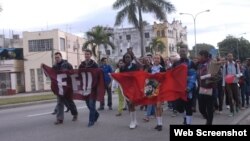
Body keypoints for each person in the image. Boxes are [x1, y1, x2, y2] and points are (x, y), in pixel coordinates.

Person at [172, 45, 197, 125]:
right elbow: (171, 74)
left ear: (187, 52)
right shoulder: (176, 63)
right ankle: (185, 117)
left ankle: (188, 123)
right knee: (180, 108)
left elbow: (193, 76)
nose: (182, 52)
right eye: (181, 51)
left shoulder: (191, 63)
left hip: (188, 89)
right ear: (179, 52)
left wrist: (189, 87)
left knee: (188, 107)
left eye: (184, 51)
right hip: (179, 89)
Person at [52, 52, 78, 125]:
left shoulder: (67, 64)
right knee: (60, 103)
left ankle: (75, 114)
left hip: (67, 87)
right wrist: (43, 67)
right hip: (59, 88)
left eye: (58, 57)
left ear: (61, 57)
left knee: (70, 102)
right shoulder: (54, 66)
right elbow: (50, 74)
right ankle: (59, 119)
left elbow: (73, 74)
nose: (57, 59)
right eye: (55, 57)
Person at [78, 49, 99, 127]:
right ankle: (96, 114)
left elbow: (98, 75)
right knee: (88, 104)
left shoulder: (94, 64)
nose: (86, 55)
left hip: (92, 87)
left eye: (88, 54)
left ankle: (91, 121)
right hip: (85, 87)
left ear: (90, 55)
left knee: (91, 103)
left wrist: (96, 85)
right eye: (85, 54)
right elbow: (78, 75)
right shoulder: (81, 65)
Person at [120, 53, 139, 129]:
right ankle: (134, 120)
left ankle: (132, 121)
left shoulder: (135, 66)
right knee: (129, 104)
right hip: (126, 87)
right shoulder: (122, 67)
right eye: (126, 57)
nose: (127, 59)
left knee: (132, 103)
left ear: (131, 58)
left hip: (133, 87)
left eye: (128, 57)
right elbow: (120, 77)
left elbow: (138, 75)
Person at [149, 54, 166, 131]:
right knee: (156, 106)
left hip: (160, 89)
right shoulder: (150, 69)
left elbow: (165, 80)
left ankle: (160, 124)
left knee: (159, 106)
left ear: (160, 60)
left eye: (158, 58)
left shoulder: (163, 69)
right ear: (153, 59)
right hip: (152, 88)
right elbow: (147, 78)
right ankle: (158, 123)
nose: (156, 59)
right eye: (155, 58)